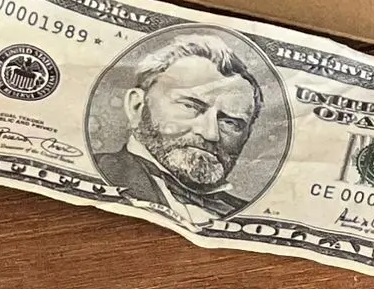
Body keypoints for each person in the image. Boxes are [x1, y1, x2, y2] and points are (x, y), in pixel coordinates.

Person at [94, 32, 263, 226]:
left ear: (246, 136)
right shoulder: (100, 172)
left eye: (231, 122)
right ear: (137, 106)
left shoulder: (246, 213)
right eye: (190, 106)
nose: (210, 134)